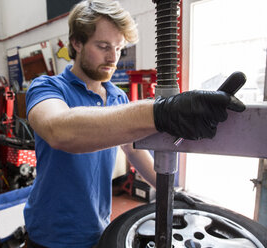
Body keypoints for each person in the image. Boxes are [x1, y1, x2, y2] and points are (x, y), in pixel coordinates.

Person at [24, 0, 245, 247]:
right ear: (77, 43)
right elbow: (59, 131)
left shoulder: (118, 97)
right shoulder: (47, 87)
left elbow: (132, 150)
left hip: (98, 227)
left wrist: (170, 191)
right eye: (103, 46)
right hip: (50, 234)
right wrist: (160, 112)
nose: (113, 57)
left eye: (118, 48)